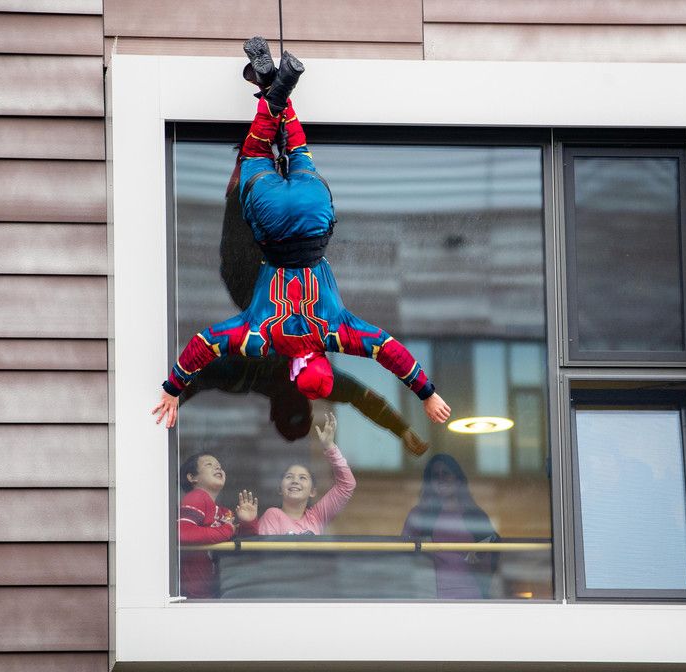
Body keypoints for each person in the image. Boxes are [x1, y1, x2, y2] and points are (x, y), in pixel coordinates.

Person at [152, 37, 451, 430]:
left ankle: (276, 86)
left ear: (324, 359)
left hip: (314, 220)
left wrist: (427, 393)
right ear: (293, 371)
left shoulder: (340, 333)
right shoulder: (260, 339)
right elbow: (206, 344)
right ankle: (271, 87)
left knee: (298, 150)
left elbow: (388, 350)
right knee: (256, 152)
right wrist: (173, 387)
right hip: (272, 225)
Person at [180, 354, 429, 455]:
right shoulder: (241, 377)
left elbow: (363, 399)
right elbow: (364, 399)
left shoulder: (240, 376)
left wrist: (401, 429)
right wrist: (401, 429)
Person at [402, 454, 499, 599]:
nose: (441, 479)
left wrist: (476, 558)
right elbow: (404, 555)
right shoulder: (419, 515)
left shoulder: (475, 515)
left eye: (446, 473)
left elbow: (492, 556)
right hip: (428, 595)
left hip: (470, 595)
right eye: (436, 475)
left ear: (458, 479)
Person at [246, 412, 354, 535]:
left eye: (303, 478)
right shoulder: (272, 515)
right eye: (289, 477)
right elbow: (268, 549)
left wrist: (329, 447)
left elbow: (347, 485)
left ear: (312, 491)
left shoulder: (317, 517)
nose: (295, 481)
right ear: (280, 489)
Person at [177, 452, 258, 598]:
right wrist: (227, 529)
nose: (218, 468)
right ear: (192, 477)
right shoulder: (196, 496)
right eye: (209, 464)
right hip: (194, 597)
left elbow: (244, 548)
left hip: (214, 594)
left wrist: (248, 522)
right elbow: (182, 533)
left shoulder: (223, 512)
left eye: (219, 466)